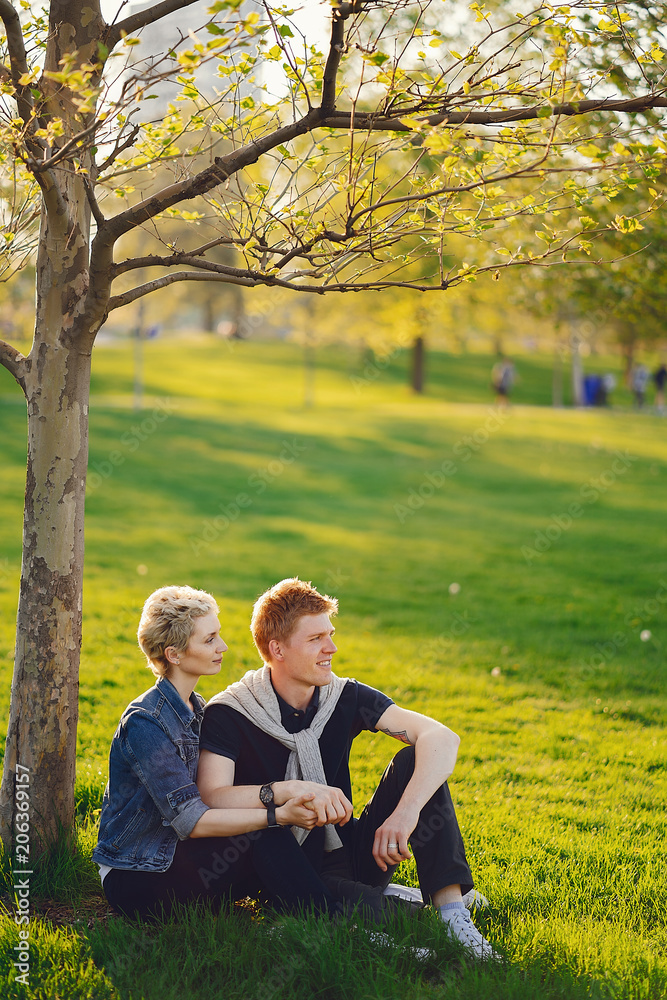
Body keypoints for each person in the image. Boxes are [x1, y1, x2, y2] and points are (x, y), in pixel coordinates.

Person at [198, 578, 498, 960]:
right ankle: (390, 901)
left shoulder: (342, 695)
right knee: (371, 915)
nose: (332, 648)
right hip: (291, 868)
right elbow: (212, 796)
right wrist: (292, 789)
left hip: (353, 848)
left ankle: (453, 915)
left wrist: (403, 815)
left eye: (331, 634)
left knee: (415, 758)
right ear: (277, 649)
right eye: (315, 639)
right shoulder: (231, 712)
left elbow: (441, 738)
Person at [93, 585, 341, 921]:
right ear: (174, 654)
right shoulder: (145, 723)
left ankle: (322, 904)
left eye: (218, 635)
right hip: (139, 875)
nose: (222, 647)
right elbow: (191, 820)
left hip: (181, 856)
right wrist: (278, 815)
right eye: (209, 639)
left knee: (276, 827)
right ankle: (336, 925)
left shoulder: (198, 710)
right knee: (266, 833)